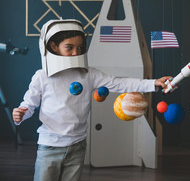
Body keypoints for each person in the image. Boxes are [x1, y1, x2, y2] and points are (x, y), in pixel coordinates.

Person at [12, 19, 171, 181]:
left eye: (80, 48)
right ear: (53, 47)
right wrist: (21, 113)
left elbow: (119, 83)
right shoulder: (42, 77)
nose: (75, 52)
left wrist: (153, 83)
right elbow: (29, 105)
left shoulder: (88, 74)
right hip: (49, 147)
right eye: (69, 47)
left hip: (77, 146)